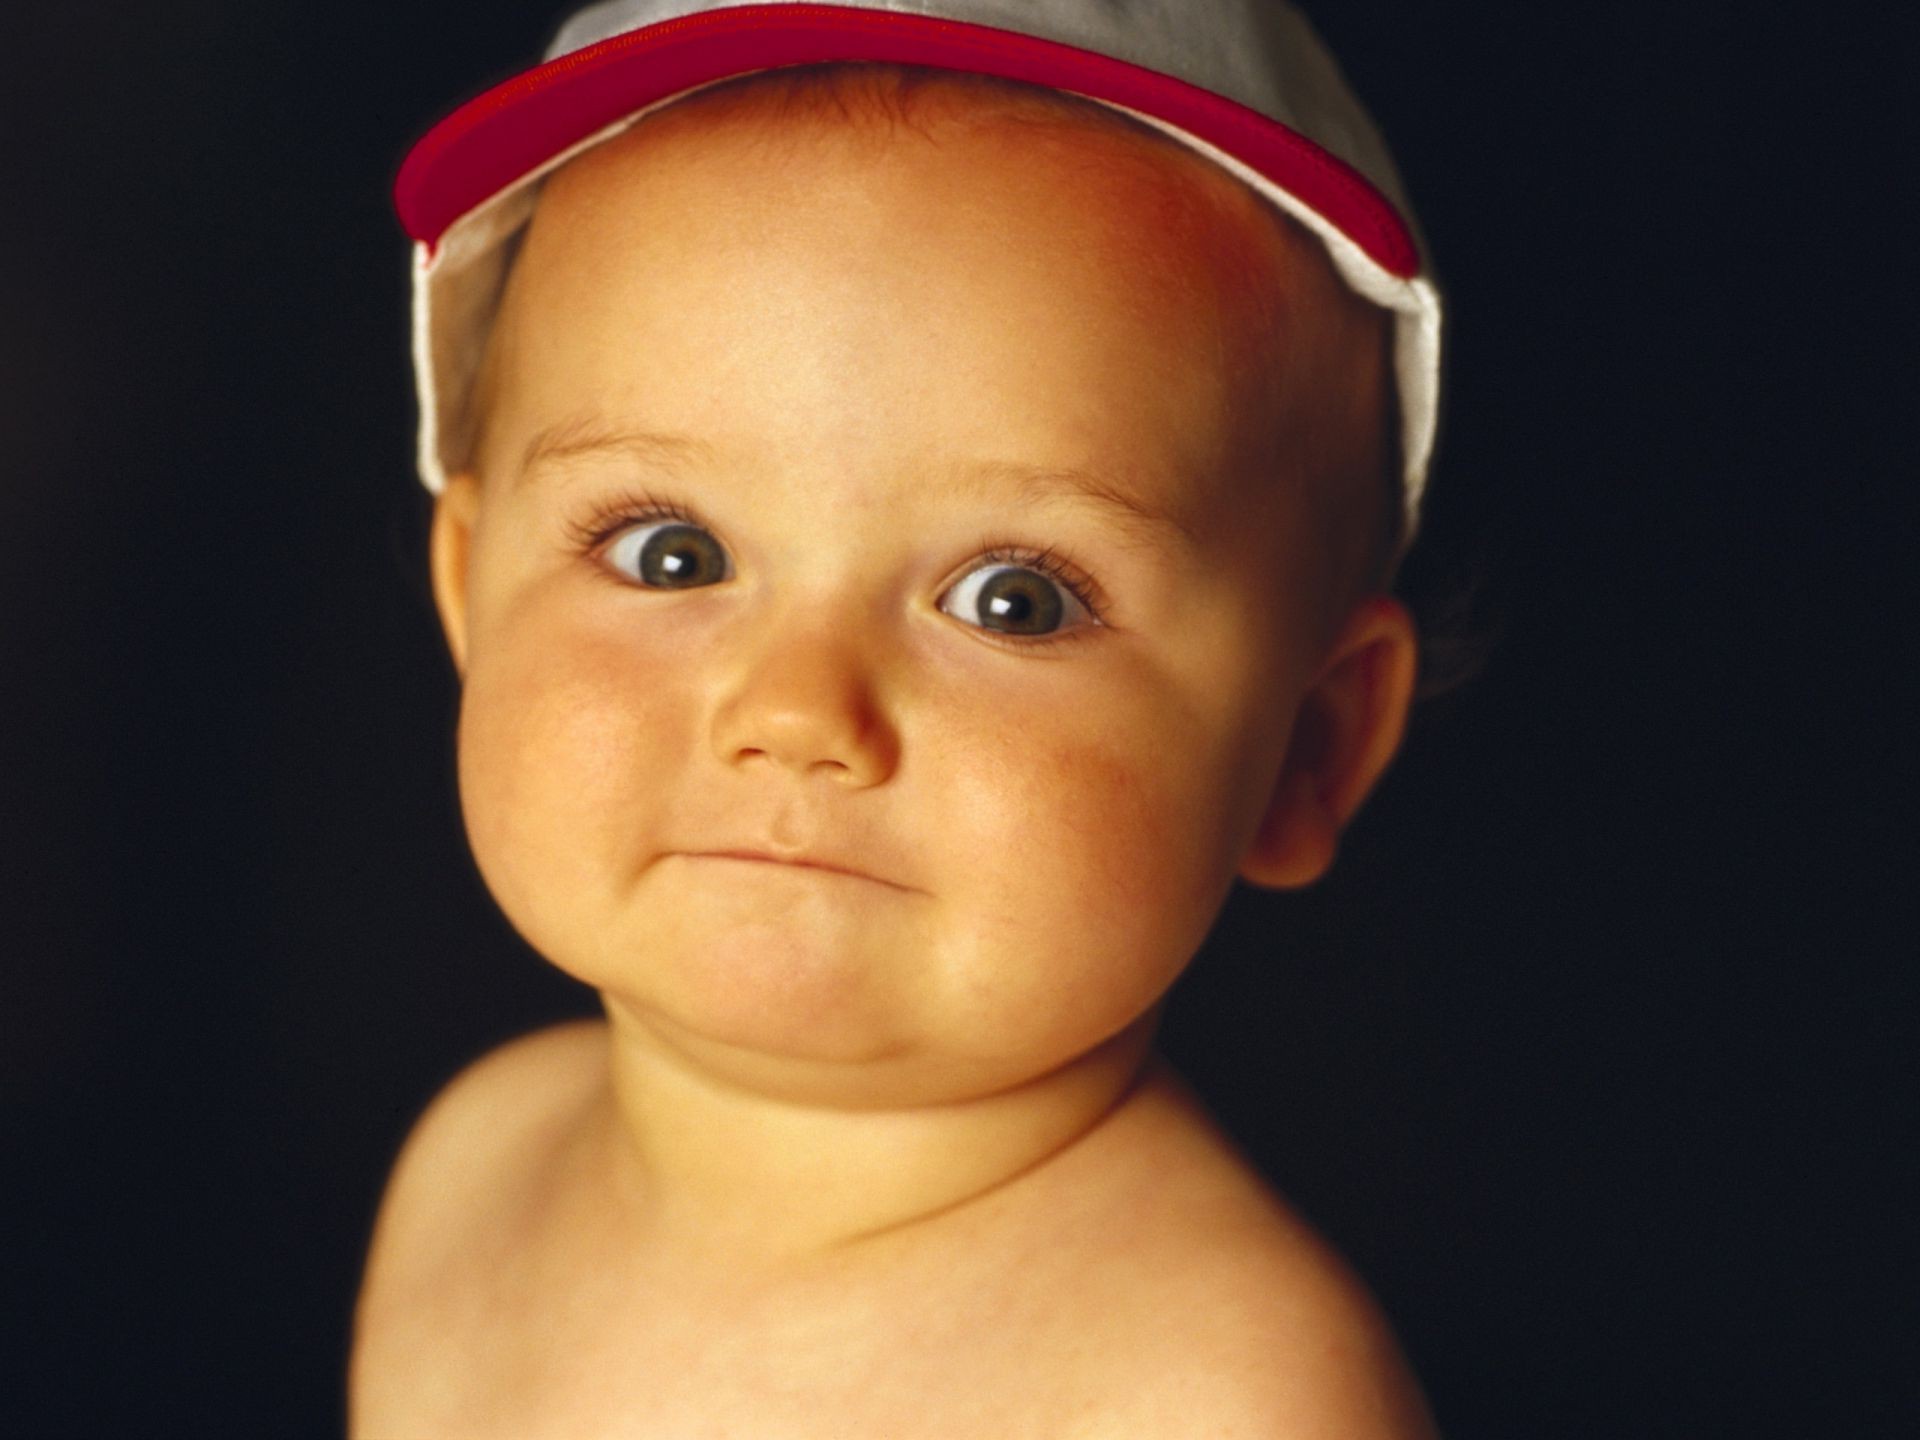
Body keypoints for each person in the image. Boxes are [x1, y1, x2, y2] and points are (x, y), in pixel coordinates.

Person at [352, 2, 1446, 1434]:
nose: (798, 711)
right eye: (669, 553)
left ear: (1309, 745)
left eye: (1015, 601)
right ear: (474, 604)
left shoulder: (1214, 1394)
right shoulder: (475, 1163)